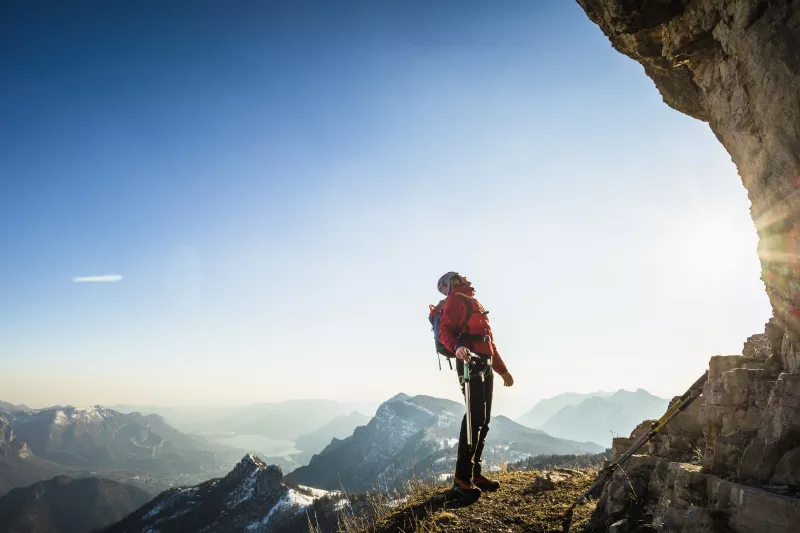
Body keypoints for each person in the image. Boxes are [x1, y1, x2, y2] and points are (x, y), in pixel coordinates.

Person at [436, 271, 514, 497]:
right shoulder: (455, 300)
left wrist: (503, 370)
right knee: (474, 418)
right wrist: (457, 348)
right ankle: (462, 479)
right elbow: (444, 332)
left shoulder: (474, 302)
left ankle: (474, 473)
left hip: (485, 364)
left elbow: (489, 343)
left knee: (484, 420)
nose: (460, 279)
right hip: (469, 363)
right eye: (454, 280)